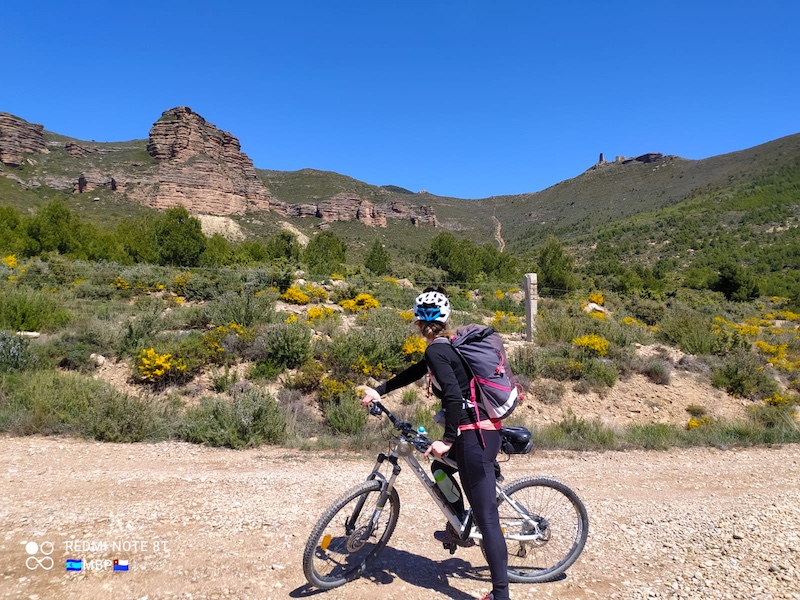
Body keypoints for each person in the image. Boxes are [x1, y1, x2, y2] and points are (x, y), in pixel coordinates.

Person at [360, 287, 509, 600]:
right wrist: (380, 390)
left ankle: (500, 595)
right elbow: (417, 371)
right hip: (479, 432)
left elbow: (454, 395)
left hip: (474, 435)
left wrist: (447, 439)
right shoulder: (442, 348)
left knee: (488, 522)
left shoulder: (438, 350)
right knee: (441, 466)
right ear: (446, 318)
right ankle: (458, 525)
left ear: (417, 321)